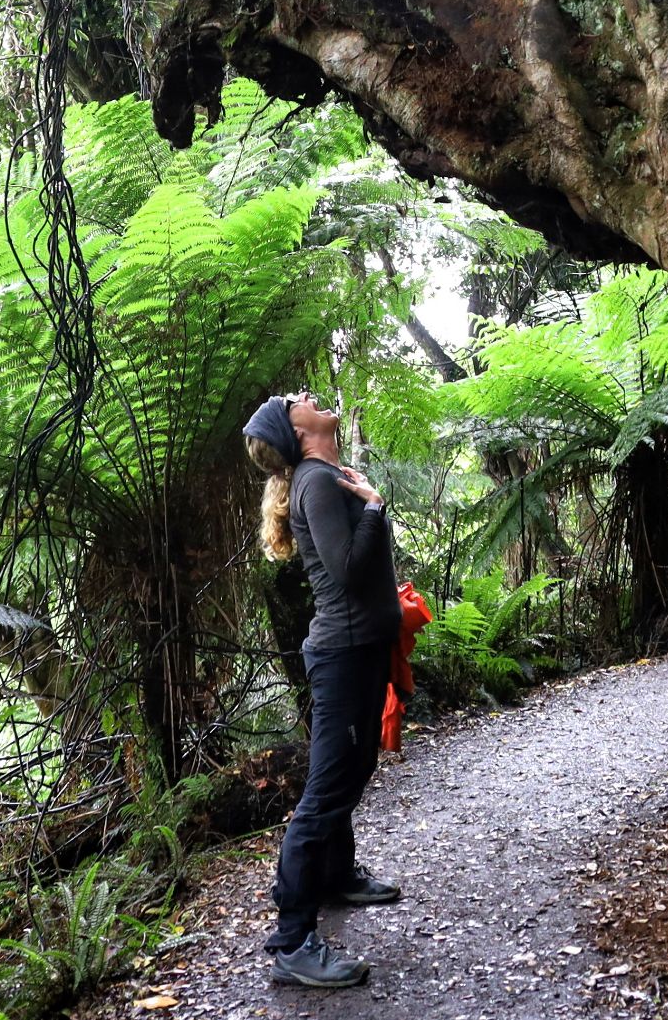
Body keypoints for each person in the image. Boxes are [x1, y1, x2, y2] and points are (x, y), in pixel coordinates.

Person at [243, 389, 406, 989]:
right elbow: (347, 567)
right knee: (328, 786)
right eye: (293, 403)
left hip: (358, 648)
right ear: (297, 433)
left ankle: (336, 876)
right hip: (341, 654)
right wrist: (374, 507)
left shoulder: (322, 475)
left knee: (355, 765)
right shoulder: (314, 480)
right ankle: (291, 941)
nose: (305, 396)